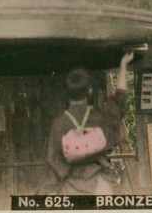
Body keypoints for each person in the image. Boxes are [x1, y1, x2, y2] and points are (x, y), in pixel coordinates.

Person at [45, 51, 134, 195]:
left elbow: (52, 159)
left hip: (70, 188)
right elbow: (119, 100)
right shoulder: (101, 117)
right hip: (99, 187)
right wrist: (123, 65)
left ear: (67, 93)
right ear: (90, 91)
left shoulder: (59, 124)